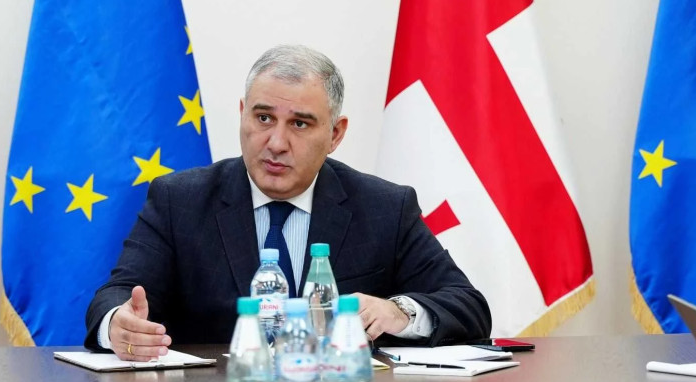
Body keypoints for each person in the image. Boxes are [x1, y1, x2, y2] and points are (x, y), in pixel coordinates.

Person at [84, 45, 490, 360]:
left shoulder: (384, 207)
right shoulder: (180, 201)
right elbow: (115, 296)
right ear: (242, 114)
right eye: (263, 118)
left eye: (299, 123)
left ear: (335, 134)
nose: (276, 143)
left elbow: (468, 306)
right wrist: (118, 324)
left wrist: (398, 311)